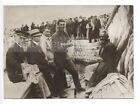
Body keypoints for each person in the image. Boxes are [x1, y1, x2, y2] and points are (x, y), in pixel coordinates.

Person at [51, 19, 85, 98]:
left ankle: (78, 88)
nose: (62, 26)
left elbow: (69, 42)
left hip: (65, 56)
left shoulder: (65, 33)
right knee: (60, 75)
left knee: (74, 71)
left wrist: (64, 44)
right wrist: (65, 45)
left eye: (64, 25)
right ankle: (61, 93)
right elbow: (56, 48)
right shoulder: (54, 36)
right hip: (58, 57)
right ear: (58, 25)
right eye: (61, 25)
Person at [26, 31, 57, 97]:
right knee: (49, 77)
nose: (39, 37)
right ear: (33, 38)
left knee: (56, 70)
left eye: (39, 36)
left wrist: (47, 64)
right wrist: (44, 67)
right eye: (37, 36)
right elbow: (32, 62)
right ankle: (52, 94)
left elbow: (42, 57)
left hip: (43, 66)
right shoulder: (31, 48)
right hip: (39, 68)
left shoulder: (37, 45)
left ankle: (54, 92)